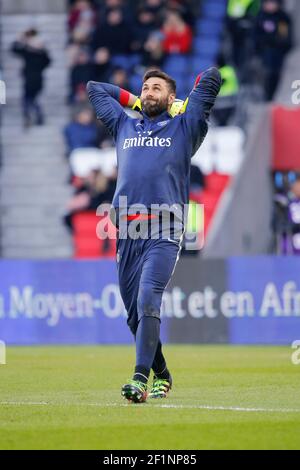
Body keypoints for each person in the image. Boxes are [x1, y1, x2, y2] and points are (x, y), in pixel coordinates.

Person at [87, 67, 221, 403]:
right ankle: (162, 373)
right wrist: (133, 101)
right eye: (145, 88)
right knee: (135, 315)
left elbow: (212, 76)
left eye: (156, 88)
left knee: (149, 298)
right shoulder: (124, 124)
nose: (149, 92)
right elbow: (94, 88)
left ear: (171, 97)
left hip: (165, 225)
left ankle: (138, 380)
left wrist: (183, 106)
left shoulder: (185, 126)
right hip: (127, 229)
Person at [11, 29, 51, 127]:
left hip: (34, 79)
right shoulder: (34, 52)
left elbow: (15, 49)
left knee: (29, 99)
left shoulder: (36, 53)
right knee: (31, 99)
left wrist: (21, 40)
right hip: (32, 79)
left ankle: (31, 117)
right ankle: (36, 117)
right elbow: (14, 49)